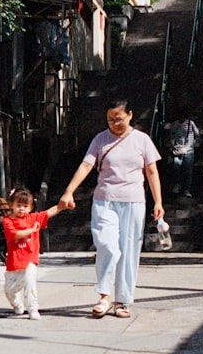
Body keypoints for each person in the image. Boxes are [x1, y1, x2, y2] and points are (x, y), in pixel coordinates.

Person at [59, 98, 164, 318]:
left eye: (119, 119)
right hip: (104, 201)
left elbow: (152, 171)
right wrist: (69, 191)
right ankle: (104, 296)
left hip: (134, 202)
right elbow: (86, 165)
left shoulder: (142, 140)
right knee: (107, 245)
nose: (114, 124)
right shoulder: (100, 139)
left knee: (129, 251)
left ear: (130, 115)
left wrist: (158, 202)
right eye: (110, 120)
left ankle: (122, 301)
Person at [2, 186, 71, 320]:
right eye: (18, 205)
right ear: (11, 205)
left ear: (30, 208)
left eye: (25, 206)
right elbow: (15, 235)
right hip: (14, 263)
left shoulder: (33, 218)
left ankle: (33, 308)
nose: (21, 209)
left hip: (29, 260)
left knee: (30, 280)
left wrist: (62, 206)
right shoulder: (8, 221)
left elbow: (48, 213)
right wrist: (31, 230)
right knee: (9, 291)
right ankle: (17, 304)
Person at [167, 111, 199, 197]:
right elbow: (172, 136)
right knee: (176, 168)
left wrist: (194, 144)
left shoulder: (190, 124)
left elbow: (197, 134)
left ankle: (186, 189)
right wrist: (173, 147)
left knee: (188, 171)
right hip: (177, 150)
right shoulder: (175, 124)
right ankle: (177, 185)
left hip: (188, 151)